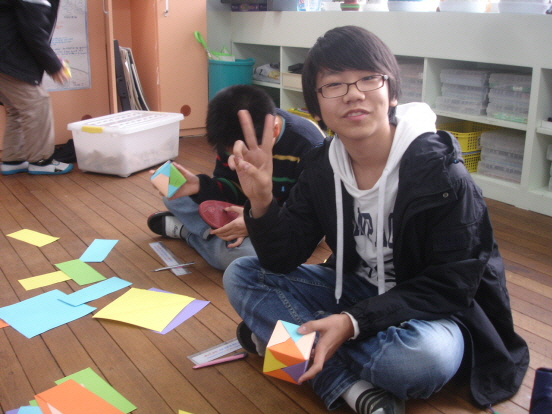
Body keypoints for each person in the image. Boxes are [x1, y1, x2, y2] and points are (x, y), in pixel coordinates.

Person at [223, 26, 529, 414]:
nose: (354, 93)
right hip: (356, 288)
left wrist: (352, 323)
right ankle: (346, 385)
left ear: (392, 91)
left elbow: (451, 287)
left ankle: (282, 339)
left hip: (428, 311)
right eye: (334, 84)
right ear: (315, 108)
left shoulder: (441, 174)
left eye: (369, 78)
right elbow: (281, 259)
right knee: (241, 274)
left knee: (421, 361)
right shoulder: (321, 167)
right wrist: (262, 201)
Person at [147, 84, 325, 270]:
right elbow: (231, 188)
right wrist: (198, 186)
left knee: (245, 258)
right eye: (232, 153)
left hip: (292, 222)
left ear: (274, 130)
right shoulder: (230, 136)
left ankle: (188, 232)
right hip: (246, 208)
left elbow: (311, 215)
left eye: (244, 153)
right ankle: (218, 233)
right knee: (174, 194)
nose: (237, 159)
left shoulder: (310, 147)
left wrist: (255, 222)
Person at [0, 0, 74, 176]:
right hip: (8, 59)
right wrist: (54, 65)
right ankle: (42, 161)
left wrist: (51, 60)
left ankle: (13, 159)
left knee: (17, 109)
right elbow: (33, 33)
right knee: (38, 103)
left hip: (7, 56)